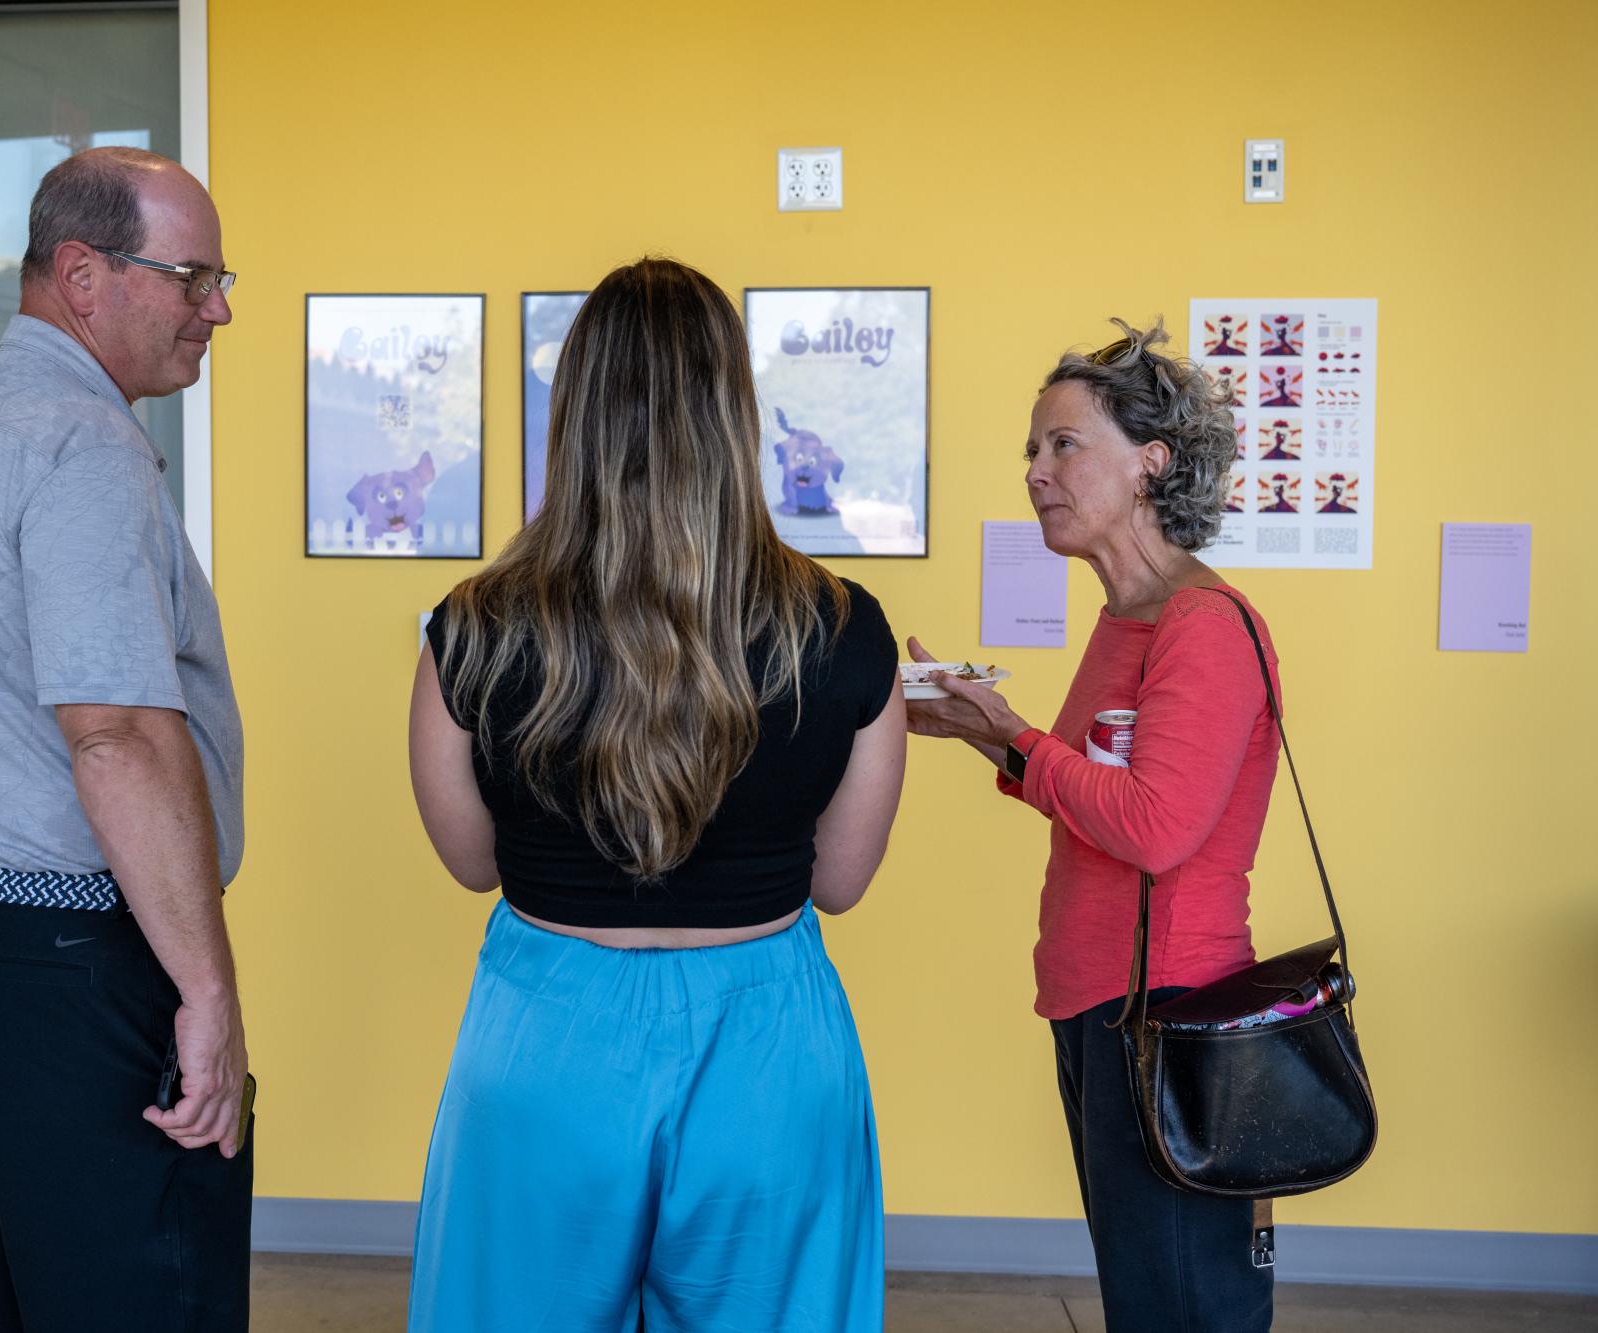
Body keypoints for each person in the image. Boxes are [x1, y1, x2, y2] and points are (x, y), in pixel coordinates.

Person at [406, 258, 906, 1332]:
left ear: (571, 408)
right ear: (735, 407)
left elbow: (470, 861)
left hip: (545, 1032)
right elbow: (843, 883)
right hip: (769, 1041)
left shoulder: (473, 626)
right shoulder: (846, 627)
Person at [0, 147, 251, 1333]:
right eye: (192, 278)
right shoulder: (80, 447)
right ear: (83, 275)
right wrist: (206, 990)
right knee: (145, 1299)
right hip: (67, 950)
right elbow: (118, 736)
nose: (219, 308)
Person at [903, 319, 1280, 1331]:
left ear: (1150, 461)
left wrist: (1013, 733)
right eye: (1030, 449)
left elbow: (1155, 828)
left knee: (1180, 1301)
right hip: (1098, 1001)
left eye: (1061, 444)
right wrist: (966, 729)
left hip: (1167, 1012)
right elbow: (1082, 794)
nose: (1034, 472)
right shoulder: (1126, 619)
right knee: (1143, 1296)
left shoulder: (1205, 628)